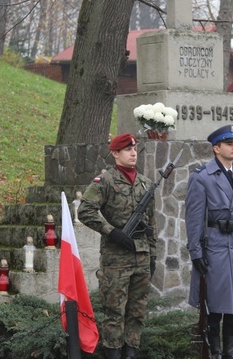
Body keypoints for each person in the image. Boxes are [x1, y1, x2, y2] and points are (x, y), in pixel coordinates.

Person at [78, 133, 157, 359]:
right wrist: (112, 232)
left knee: (138, 312)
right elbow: (85, 211)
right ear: (115, 153)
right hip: (116, 260)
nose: (133, 153)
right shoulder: (105, 181)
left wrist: (153, 256)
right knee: (114, 313)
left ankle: (130, 354)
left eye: (135, 149)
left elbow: (152, 224)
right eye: (127, 149)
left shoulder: (146, 183)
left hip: (141, 257)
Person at [185, 124, 233, 359]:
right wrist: (196, 253)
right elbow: (194, 219)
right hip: (215, 249)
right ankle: (214, 354)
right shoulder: (202, 178)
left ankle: (232, 355)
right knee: (215, 309)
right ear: (216, 148)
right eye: (229, 144)